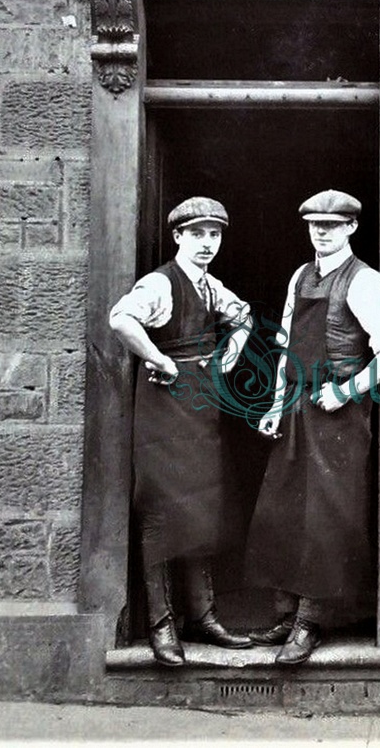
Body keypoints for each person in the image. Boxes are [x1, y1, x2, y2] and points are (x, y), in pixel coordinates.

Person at [245, 189, 380, 665]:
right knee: (282, 509)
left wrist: (344, 392)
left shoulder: (365, 282)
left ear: (351, 228)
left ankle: (310, 622)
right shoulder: (300, 275)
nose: (322, 231)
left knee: (325, 518)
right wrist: (276, 404)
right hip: (296, 405)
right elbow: (287, 345)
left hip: (337, 415)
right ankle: (286, 611)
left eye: (332, 225)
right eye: (315, 224)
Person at [108, 196, 255, 666]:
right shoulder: (160, 283)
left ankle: (203, 617)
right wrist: (158, 358)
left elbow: (245, 315)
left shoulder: (211, 286)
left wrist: (234, 345)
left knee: (200, 508)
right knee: (159, 511)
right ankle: (161, 625)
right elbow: (120, 319)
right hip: (163, 410)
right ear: (177, 237)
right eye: (197, 235)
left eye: (214, 235)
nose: (207, 244)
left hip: (201, 409)